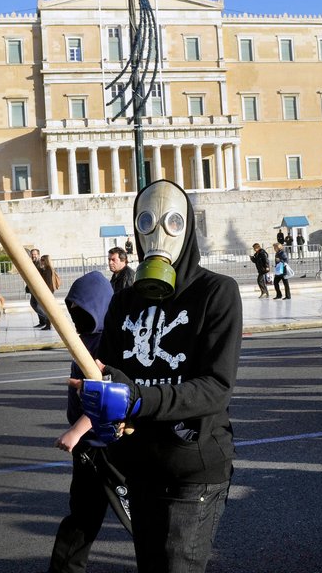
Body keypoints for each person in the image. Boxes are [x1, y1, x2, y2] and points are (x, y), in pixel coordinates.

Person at [79, 179, 242, 573]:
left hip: (192, 467)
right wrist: (100, 395)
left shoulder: (217, 292)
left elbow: (216, 388)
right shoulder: (123, 301)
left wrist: (138, 399)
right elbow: (118, 372)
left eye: (172, 222)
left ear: (188, 228)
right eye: (147, 221)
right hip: (138, 465)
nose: (158, 235)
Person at [49, 271, 121, 572]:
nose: (77, 315)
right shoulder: (86, 339)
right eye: (73, 310)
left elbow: (107, 396)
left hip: (105, 444)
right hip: (89, 447)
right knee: (83, 513)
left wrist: (77, 431)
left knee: (135, 513)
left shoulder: (109, 342)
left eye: (82, 309)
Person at [28, 249, 51, 330]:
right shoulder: (32, 263)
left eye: (35, 254)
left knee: (36, 305)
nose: (33, 256)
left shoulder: (39, 263)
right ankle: (42, 322)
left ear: (38, 254)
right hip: (33, 287)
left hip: (37, 288)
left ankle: (48, 319)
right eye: (32, 254)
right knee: (34, 304)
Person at [39, 255, 61, 331]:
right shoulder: (47, 269)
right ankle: (48, 324)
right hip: (49, 291)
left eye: (42, 260)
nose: (41, 261)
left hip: (48, 291)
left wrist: (46, 293)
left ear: (46, 261)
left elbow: (48, 282)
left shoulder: (48, 269)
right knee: (47, 308)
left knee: (48, 309)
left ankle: (48, 325)